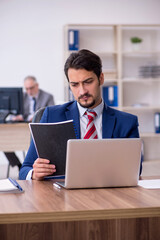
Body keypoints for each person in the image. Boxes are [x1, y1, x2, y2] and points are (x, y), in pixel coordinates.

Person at [19, 49, 141, 181]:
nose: (82, 91)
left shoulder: (126, 122)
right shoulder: (51, 116)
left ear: (101, 78)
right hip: (62, 196)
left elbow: (135, 169)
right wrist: (34, 173)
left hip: (108, 193)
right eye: (75, 85)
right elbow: (25, 169)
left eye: (88, 82)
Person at [4, 76, 55, 171]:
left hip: (39, 129)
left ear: (37, 86)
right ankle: (19, 165)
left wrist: (34, 116)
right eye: (26, 89)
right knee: (3, 141)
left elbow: (50, 114)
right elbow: (16, 111)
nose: (29, 91)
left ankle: (33, 167)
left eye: (31, 88)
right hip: (21, 127)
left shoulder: (48, 97)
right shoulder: (22, 96)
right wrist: (16, 116)